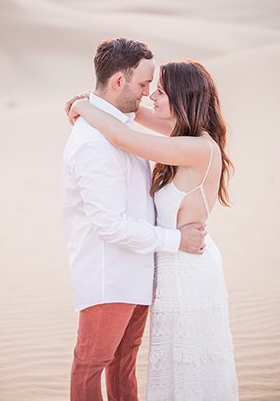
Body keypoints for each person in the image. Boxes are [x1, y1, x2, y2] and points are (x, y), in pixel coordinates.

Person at [68, 58, 239, 400]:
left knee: (189, 365)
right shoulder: (185, 134)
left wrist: (82, 106)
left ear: (181, 97)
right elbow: (127, 113)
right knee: (174, 364)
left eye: (159, 92)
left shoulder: (195, 147)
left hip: (188, 265)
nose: (150, 98)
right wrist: (93, 99)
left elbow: (121, 135)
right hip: (173, 262)